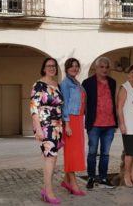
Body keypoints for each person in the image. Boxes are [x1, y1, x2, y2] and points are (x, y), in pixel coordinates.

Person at [30, 58, 64, 204]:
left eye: (54, 66)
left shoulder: (57, 85)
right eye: (49, 66)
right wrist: (38, 128)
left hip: (57, 125)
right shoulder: (38, 85)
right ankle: (48, 192)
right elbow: (33, 107)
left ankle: (46, 189)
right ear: (44, 68)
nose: (52, 68)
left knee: (53, 157)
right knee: (49, 158)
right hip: (44, 124)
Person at [82, 57, 117, 189]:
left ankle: (103, 178)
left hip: (109, 124)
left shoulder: (112, 82)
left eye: (107, 67)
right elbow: (83, 102)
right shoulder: (87, 83)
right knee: (92, 152)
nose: (104, 69)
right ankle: (91, 177)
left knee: (105, 153)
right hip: (94, 125)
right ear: (96, 68)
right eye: (101, 67)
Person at [60, 58, 86, 196]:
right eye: (72, 66)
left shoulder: (76, 82)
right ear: (66, 68)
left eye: (77, 66)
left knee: (76, 151)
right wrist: (67, 124)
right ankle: (73, 183)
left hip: (78, 119)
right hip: (71, 120)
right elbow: (64, 104)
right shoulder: (65, 84)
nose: (74, 68)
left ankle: (66, 180)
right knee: (72, 153)